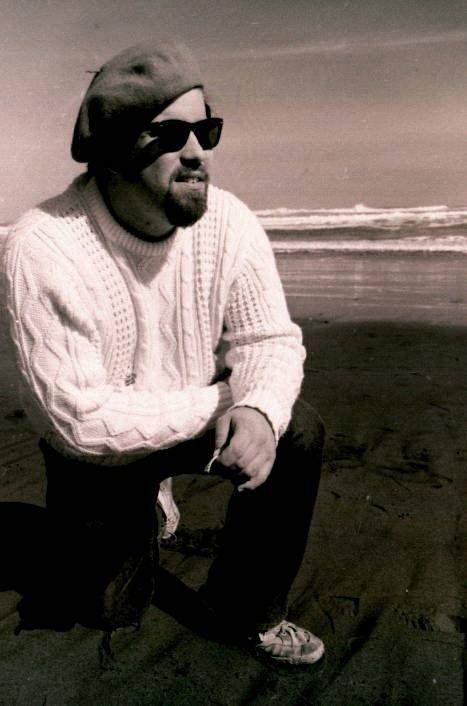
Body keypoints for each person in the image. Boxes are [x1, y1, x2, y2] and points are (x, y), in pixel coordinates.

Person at [1, 40, 325, 666]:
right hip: (95, 454)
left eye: (206, 129)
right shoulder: (42, 247)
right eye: (170, 134)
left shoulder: (229, 223)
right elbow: (80, 422)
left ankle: (248, 611)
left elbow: (270, 340)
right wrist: (231, 400)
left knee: (294, 427)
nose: (198, 152)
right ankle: (139, 508)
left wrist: (257, 410)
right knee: (104, 608)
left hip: (179, 419)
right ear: (113, 149)